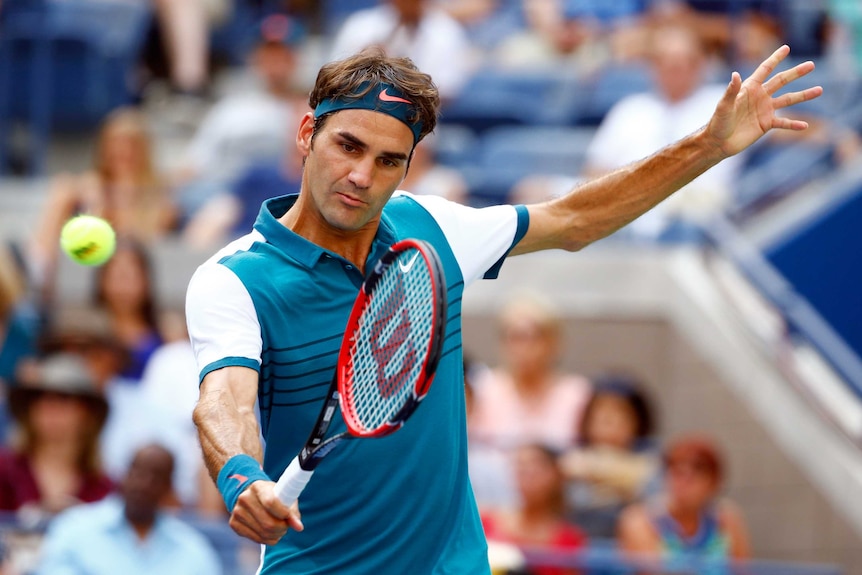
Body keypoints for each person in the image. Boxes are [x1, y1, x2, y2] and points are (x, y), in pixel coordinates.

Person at [185, 44, 821, 573]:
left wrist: (707, 146)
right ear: (307, 133)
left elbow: (575, 219)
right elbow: (225, 399)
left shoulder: (428, 228)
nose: (361, 176)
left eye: (387, 161)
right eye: (346, 147)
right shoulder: (232, 280)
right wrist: (242, 476)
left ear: (408, 168)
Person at [581, 24, 745, 240]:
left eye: (684, 61)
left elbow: (782, 125)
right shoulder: (630, 108)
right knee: (536, 192)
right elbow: (593, 171)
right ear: (652, 65)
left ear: (700, 63)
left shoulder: (726, 102)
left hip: (699, 212)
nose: (674, 67)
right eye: (664, 61)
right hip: (628, 206)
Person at [29, 107, 176, 303]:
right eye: (115, 144)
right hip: (89, 276)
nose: (122, 151)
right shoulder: (84, 188)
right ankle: (36, 273)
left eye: (130, 145)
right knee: (62, 188)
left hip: (134, 284)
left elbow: (136, 247)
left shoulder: (160, 197)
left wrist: (125, 191)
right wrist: (95, 204)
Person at [172, 13, 306, 224]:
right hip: (219, 195)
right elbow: (195, 163)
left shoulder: (307, 109)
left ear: (296, 59)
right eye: (269, 54)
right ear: (256, 58)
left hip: (277, 199)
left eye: (283, 54)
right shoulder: (230, 108)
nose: (276, 62)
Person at [34, 443, 223, 575]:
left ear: (169, 489)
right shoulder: (73, 528)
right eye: (137, 471)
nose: (143, 484)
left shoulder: (193, 549)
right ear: (124, 475)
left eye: (156, 477)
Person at [469, 292, 592, 451]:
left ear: (554, 342)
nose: (524, 349)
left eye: (534, 338)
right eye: (516, 338)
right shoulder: (482, 389)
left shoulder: (577, 393)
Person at [0, 353, 114, 516]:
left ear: (87, 412)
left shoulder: (103, 487)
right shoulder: (4, 471)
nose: (49, 407)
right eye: (39, 397)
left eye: (63, 398)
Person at [617, 435, 751, 563]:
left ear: (714, 482)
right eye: (677, 471)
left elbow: (742, 570)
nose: (685, 481)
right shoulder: (639, 521)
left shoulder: (727, 519)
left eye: (697, 471)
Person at [559, 374, 659, 538]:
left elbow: (654, 497)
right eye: (600, 413)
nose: (608, 420)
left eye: (619, 413)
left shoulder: (653, 462)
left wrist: (598, 469)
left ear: (637, 421)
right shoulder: (568, 459)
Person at [329, 0, 475, 101]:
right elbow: (333, 77)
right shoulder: (360, 25)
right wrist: (364, 63)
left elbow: (447, 90)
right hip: (356, 107)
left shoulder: (445, 30)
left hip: (419, 119)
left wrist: (394, 71)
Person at [481, 443, 587, 575]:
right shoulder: (486, 521)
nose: (528, 473)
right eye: (521, 466)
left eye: (536, 466)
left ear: (556, 475)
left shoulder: (570, 538)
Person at [92, 239, 163, 381]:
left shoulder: (167, 336)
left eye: (130, 276)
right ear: (101, 281)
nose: (123, 286)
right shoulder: (88, 339)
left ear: (146, 281)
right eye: (116, 276)